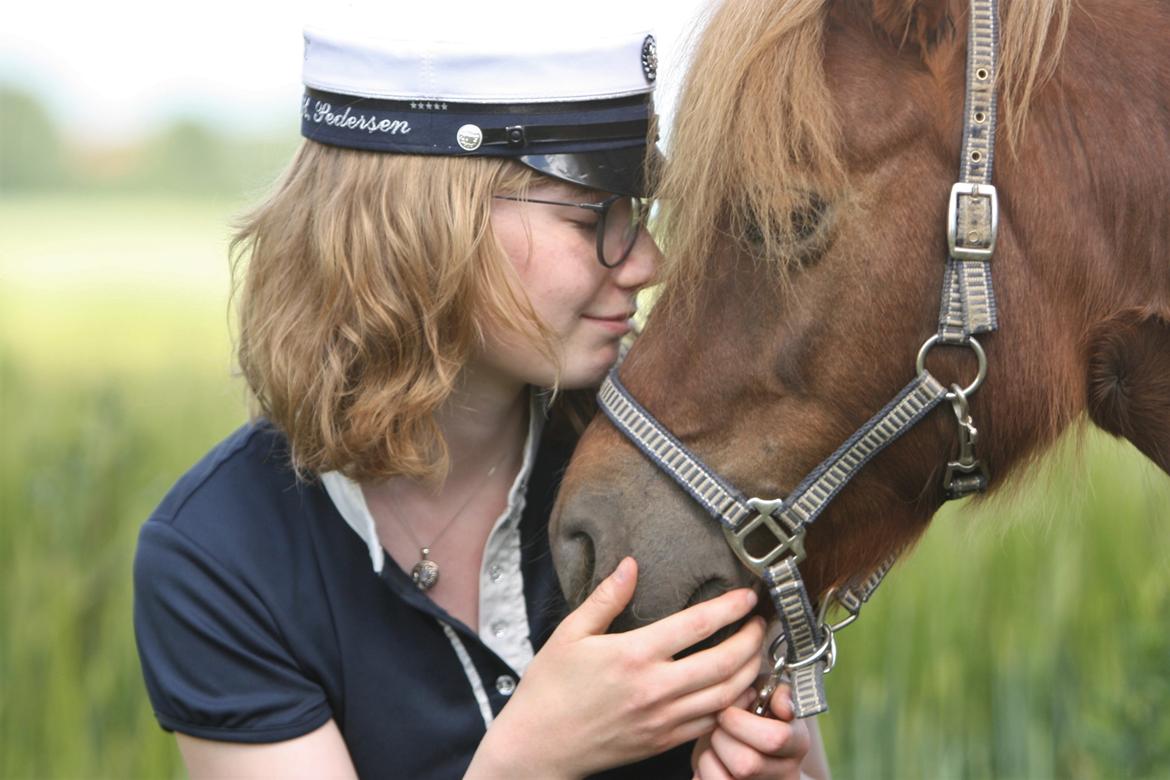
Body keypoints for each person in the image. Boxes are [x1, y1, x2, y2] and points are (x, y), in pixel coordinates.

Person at [132, 15, 830, 780]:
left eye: (644, 214)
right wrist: (527, 761)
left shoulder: (683, 474)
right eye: (593, 218)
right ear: (426, 227)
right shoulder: (219, 558)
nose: (648, 263)